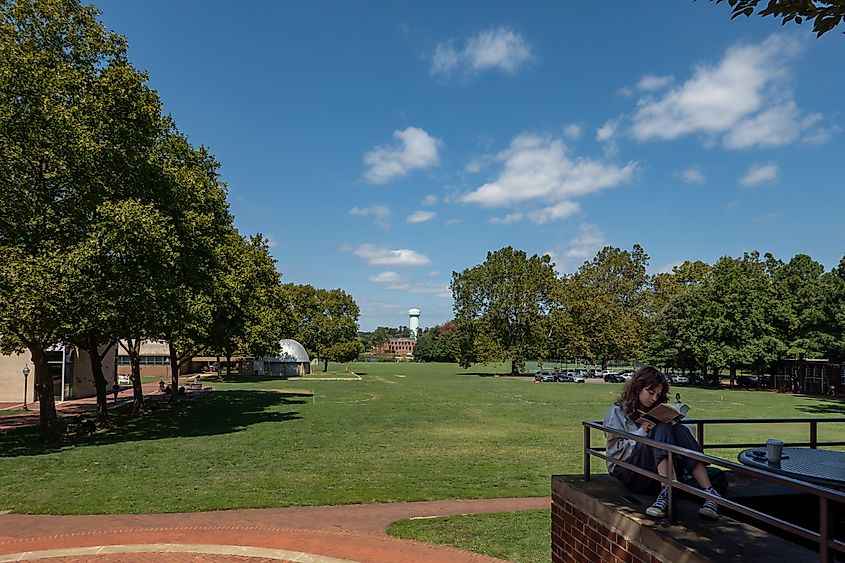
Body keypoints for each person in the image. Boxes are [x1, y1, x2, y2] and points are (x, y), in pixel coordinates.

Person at [603, 366, 721, 519]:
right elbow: (616, 452)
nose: (653, 399)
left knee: (678, 429)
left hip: (657, 472)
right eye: (650, 393)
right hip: (630, 472)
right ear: (638, 388)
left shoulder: (655, 407)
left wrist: (674, 423)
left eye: (658, 395)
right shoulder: (618, 411)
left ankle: (709, 493)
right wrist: (642, 433)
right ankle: (668, 491)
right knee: (661, 428)